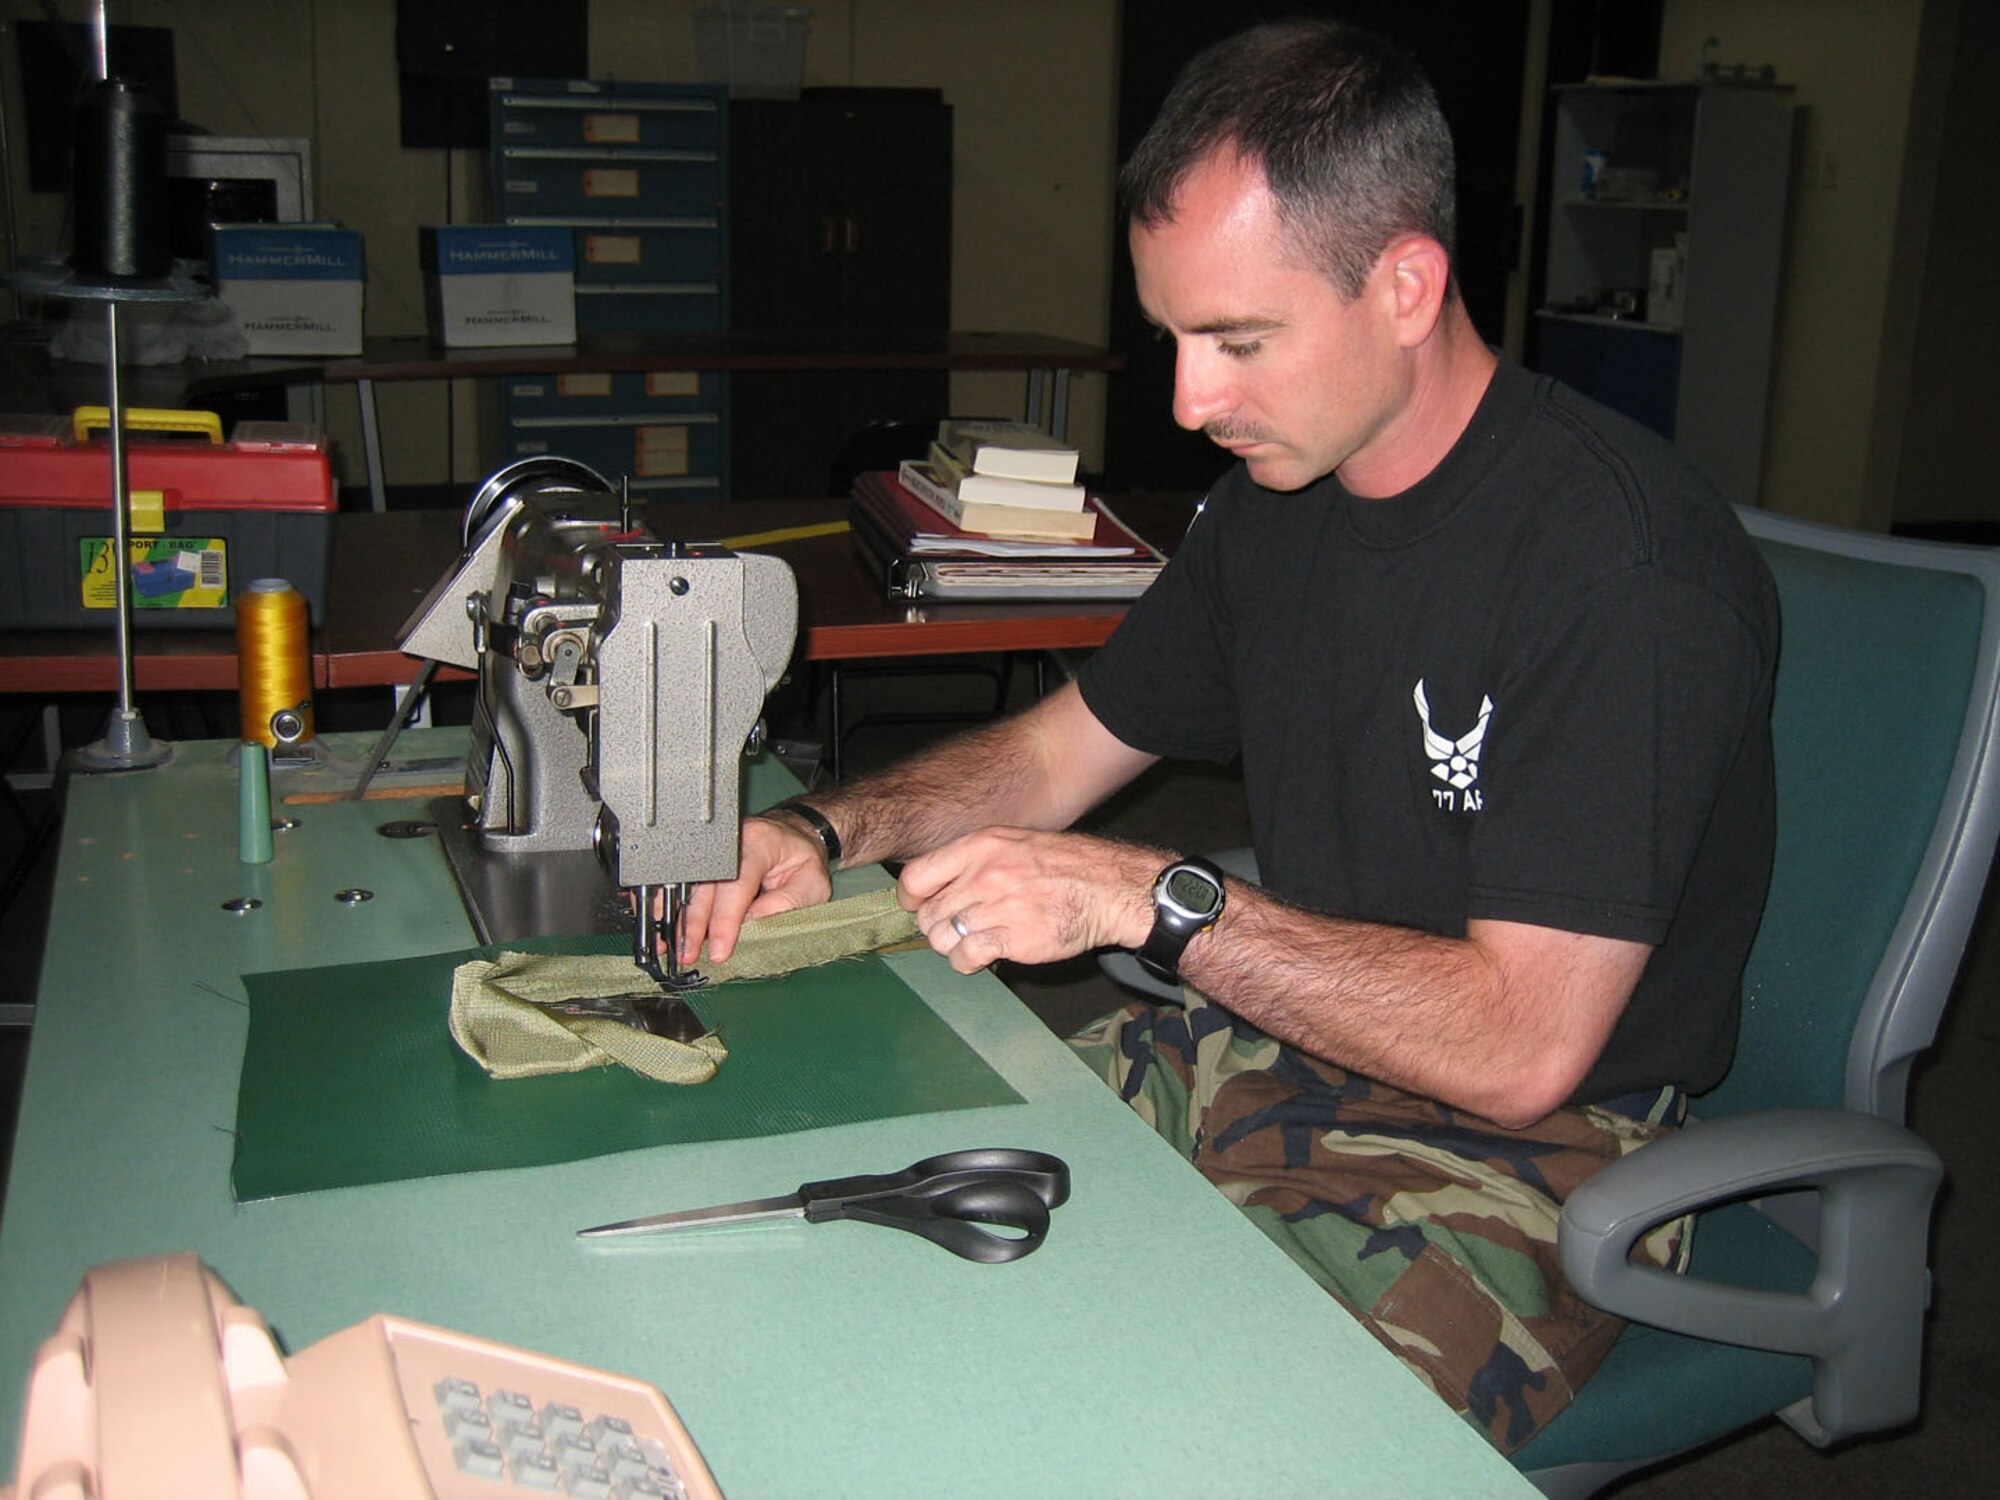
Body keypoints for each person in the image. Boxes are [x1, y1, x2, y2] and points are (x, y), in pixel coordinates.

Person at [679, 19, 1778, 1452]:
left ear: (1404, 285)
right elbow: (1056, 754)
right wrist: (823, 831)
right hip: (1274, 1047)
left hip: (1532, 1151)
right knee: (879, 1241)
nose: (1193, 402)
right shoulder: (1276, 509)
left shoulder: (1623, 573)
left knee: (1187, 1438)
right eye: (1178, 340)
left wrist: (1150, 894)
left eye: (1238, 341)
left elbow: (1523, 1047)